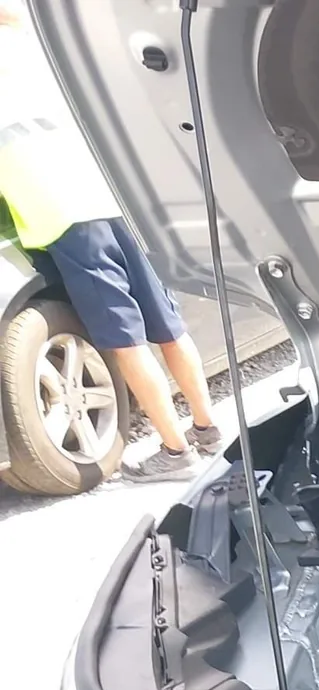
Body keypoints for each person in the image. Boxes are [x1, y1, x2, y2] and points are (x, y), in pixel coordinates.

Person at [0, 1, 223, 481]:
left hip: (63, 217)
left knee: (124, 340)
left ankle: (176, 453)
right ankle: (208, 429)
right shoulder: (41, 51)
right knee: (168, 327)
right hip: (111, 200)